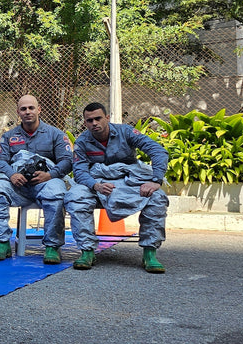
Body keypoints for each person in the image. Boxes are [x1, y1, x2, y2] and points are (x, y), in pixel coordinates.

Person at [64, 102, 170, 273]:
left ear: (107, 118)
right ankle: (87, 251)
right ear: (85, 123)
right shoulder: (82, 141)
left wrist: (156, 180)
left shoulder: (126, 132)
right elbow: (80, 171)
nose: (94, 123)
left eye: (98, 118)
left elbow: (158, 151)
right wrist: (95, 185)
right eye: (89, 120)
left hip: (128, 179)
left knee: (157, 197)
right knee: (75, 196)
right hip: (97, 183)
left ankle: (150, 254)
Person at [0, 95, 73, 262]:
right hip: (18, 186)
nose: (27, 112)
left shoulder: (55, 134)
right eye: (23, 109)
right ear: (18, 113)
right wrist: (12, 174)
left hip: (45, 183)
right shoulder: (9, 136)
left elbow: (67, 161)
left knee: (56, 193)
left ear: (39, 110)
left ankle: (52, 247)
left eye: (31, 108)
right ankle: (2, 243)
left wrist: (50, 175)